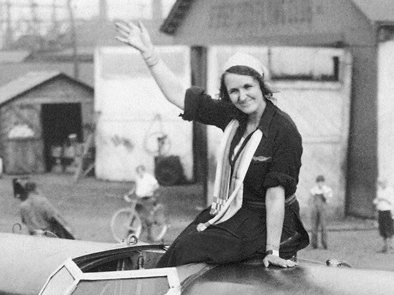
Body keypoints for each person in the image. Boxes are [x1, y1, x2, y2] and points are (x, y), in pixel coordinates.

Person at [114, 21, 305, 269]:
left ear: (262, 86)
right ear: (227, 95)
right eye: (234, 90)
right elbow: (178, 96)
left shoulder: (283, 130)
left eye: (248, 87)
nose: (242, 96)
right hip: (234, 210)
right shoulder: (233, 114)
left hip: (268, 221)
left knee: (190, 248)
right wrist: (149, 55)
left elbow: (275, 194)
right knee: (183, 243)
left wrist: (273, 250)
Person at [308, 174, 332, 249]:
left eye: (321, 182)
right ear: (317, 182)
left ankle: (324, 244)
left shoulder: (327, 189)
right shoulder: (313, 190)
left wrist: (323, 191)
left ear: (323, 182)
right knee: (314, 226)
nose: (320, 183)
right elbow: (310, 200)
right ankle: (314, 244)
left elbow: (327, 199)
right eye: (318, 182)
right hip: (315, 208)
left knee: (324, 226)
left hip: (323, 208)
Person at [374, 178, 394, 253]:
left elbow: (391, 201)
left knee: (389, 229)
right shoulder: (379, 190)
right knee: (382, 229)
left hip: (387, 211)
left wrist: (383, 199)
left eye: (382, 183)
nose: (380, 184)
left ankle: (391, 247)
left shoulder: (390, 190)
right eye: (379, 183)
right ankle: (385, 247)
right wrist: (378, 201)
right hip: (381, 211)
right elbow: (376, 200)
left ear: (385, 182)